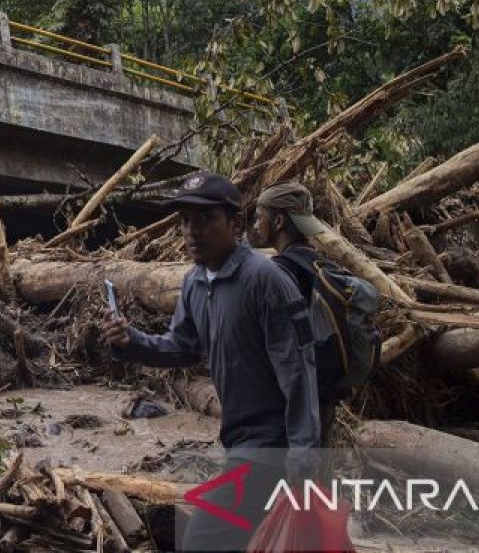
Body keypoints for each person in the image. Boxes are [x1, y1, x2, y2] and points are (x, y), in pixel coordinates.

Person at [102, 173, 319, 552]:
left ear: (235, 224)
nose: (192, 231)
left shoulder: (266, 280)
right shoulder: (195, 282)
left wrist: (303, 460)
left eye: (205, 219)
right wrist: (131, 340)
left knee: (201, 541)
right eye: (185, 221)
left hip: (271, 445)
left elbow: (298, 371)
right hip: (237, 440)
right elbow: (183, 347)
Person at [250, 181, 346, 437]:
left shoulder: (279, 272)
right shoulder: (320, 264)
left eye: (259, 218)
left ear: (279, 221)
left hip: (293, 398)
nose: (255, 225)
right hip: (324, 390)